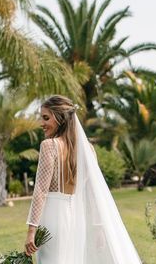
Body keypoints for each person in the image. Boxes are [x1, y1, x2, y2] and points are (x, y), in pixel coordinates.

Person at [24, 95, 141, 263]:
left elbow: (41, 190)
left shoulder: (49, 145)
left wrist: (31, 231)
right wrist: (98, 226)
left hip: (52, 218)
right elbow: (92, 191)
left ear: (60, 118)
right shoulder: (88, 149)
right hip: (77, 218)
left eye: (46, 118)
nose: (41, 123)